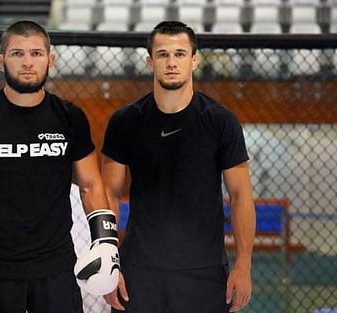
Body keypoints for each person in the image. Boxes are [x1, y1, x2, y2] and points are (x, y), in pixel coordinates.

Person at [0, 20, 120, 313]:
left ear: (50, 59)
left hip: (55, 266)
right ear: (1, 61)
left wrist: (105, 242)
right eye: (17, 54)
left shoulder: (69, 117)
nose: (27, 62)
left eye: (36, 54)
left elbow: (91, 184)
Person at [101, 21, 256, 313]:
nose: (172, 62)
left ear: (194, 60)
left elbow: (240, 196)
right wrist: (111, 263)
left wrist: (243, 266)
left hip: (205, 272)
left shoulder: (221, 122)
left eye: (180, 54)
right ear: (150, 62)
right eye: (163, 55)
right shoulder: (125, 122)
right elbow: (108, 195)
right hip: (139, 271)